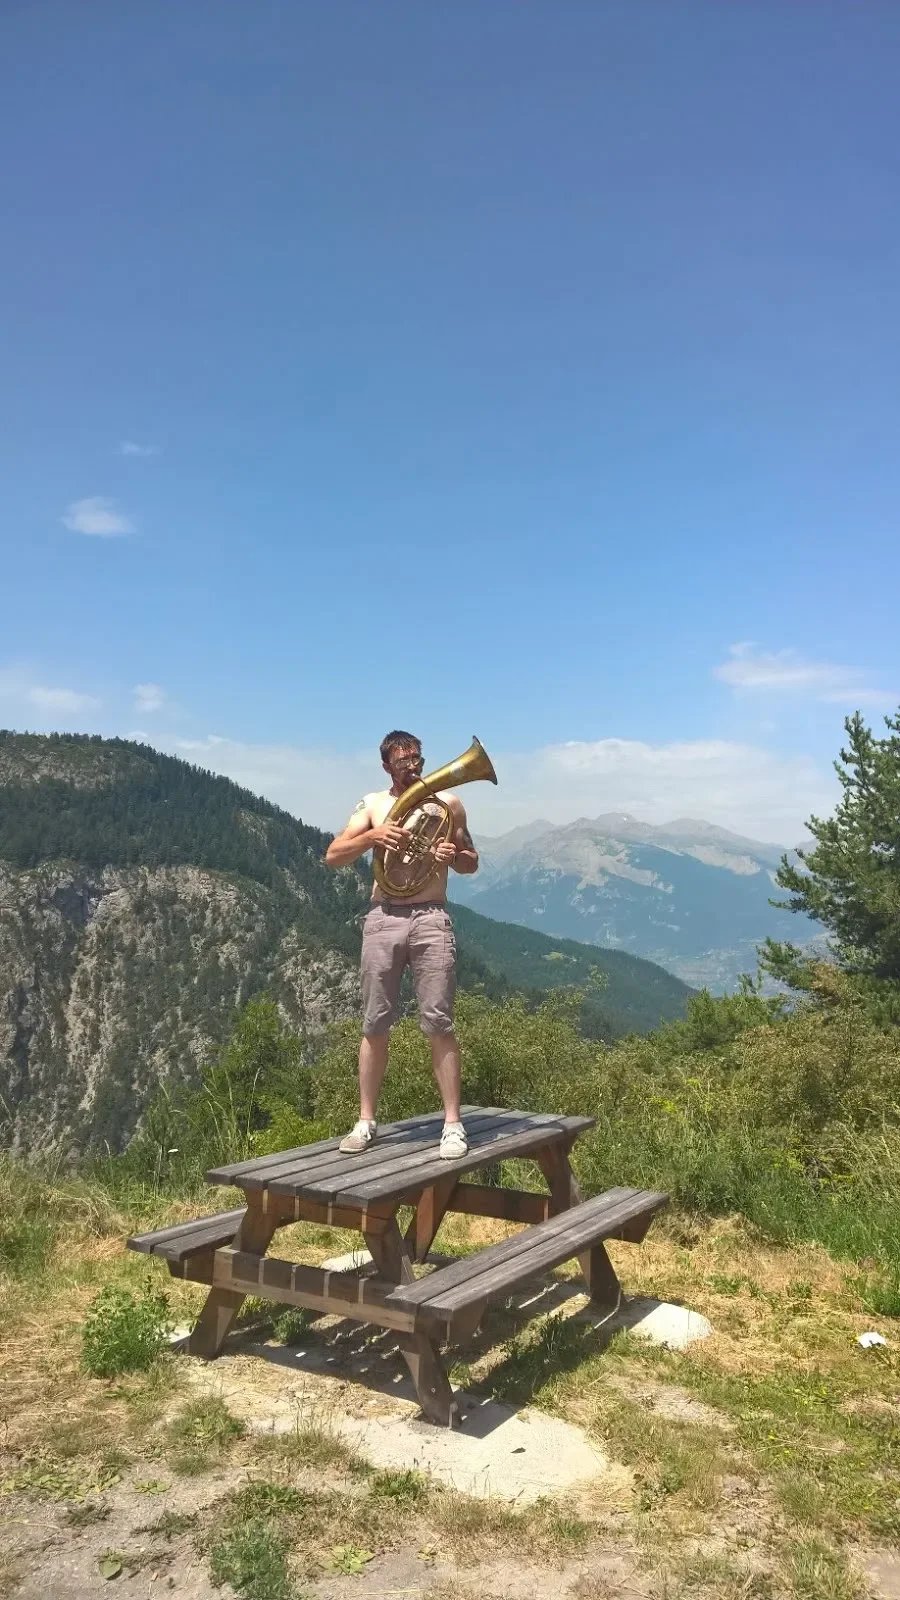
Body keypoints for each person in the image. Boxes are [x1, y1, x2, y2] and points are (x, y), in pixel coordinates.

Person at [324, 730, 479, 1159]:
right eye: (404, 759)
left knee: (439, 1021)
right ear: (387, 765)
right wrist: (373, 838)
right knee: (375, 1021)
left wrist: (454, 856)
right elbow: (333, 854)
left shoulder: (448, 804)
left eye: (417, 757)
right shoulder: (373, 805)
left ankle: (452, 1124)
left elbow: (472, 863)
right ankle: (366, 1121)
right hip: (384, 917)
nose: (413, 764)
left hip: (431, 917)